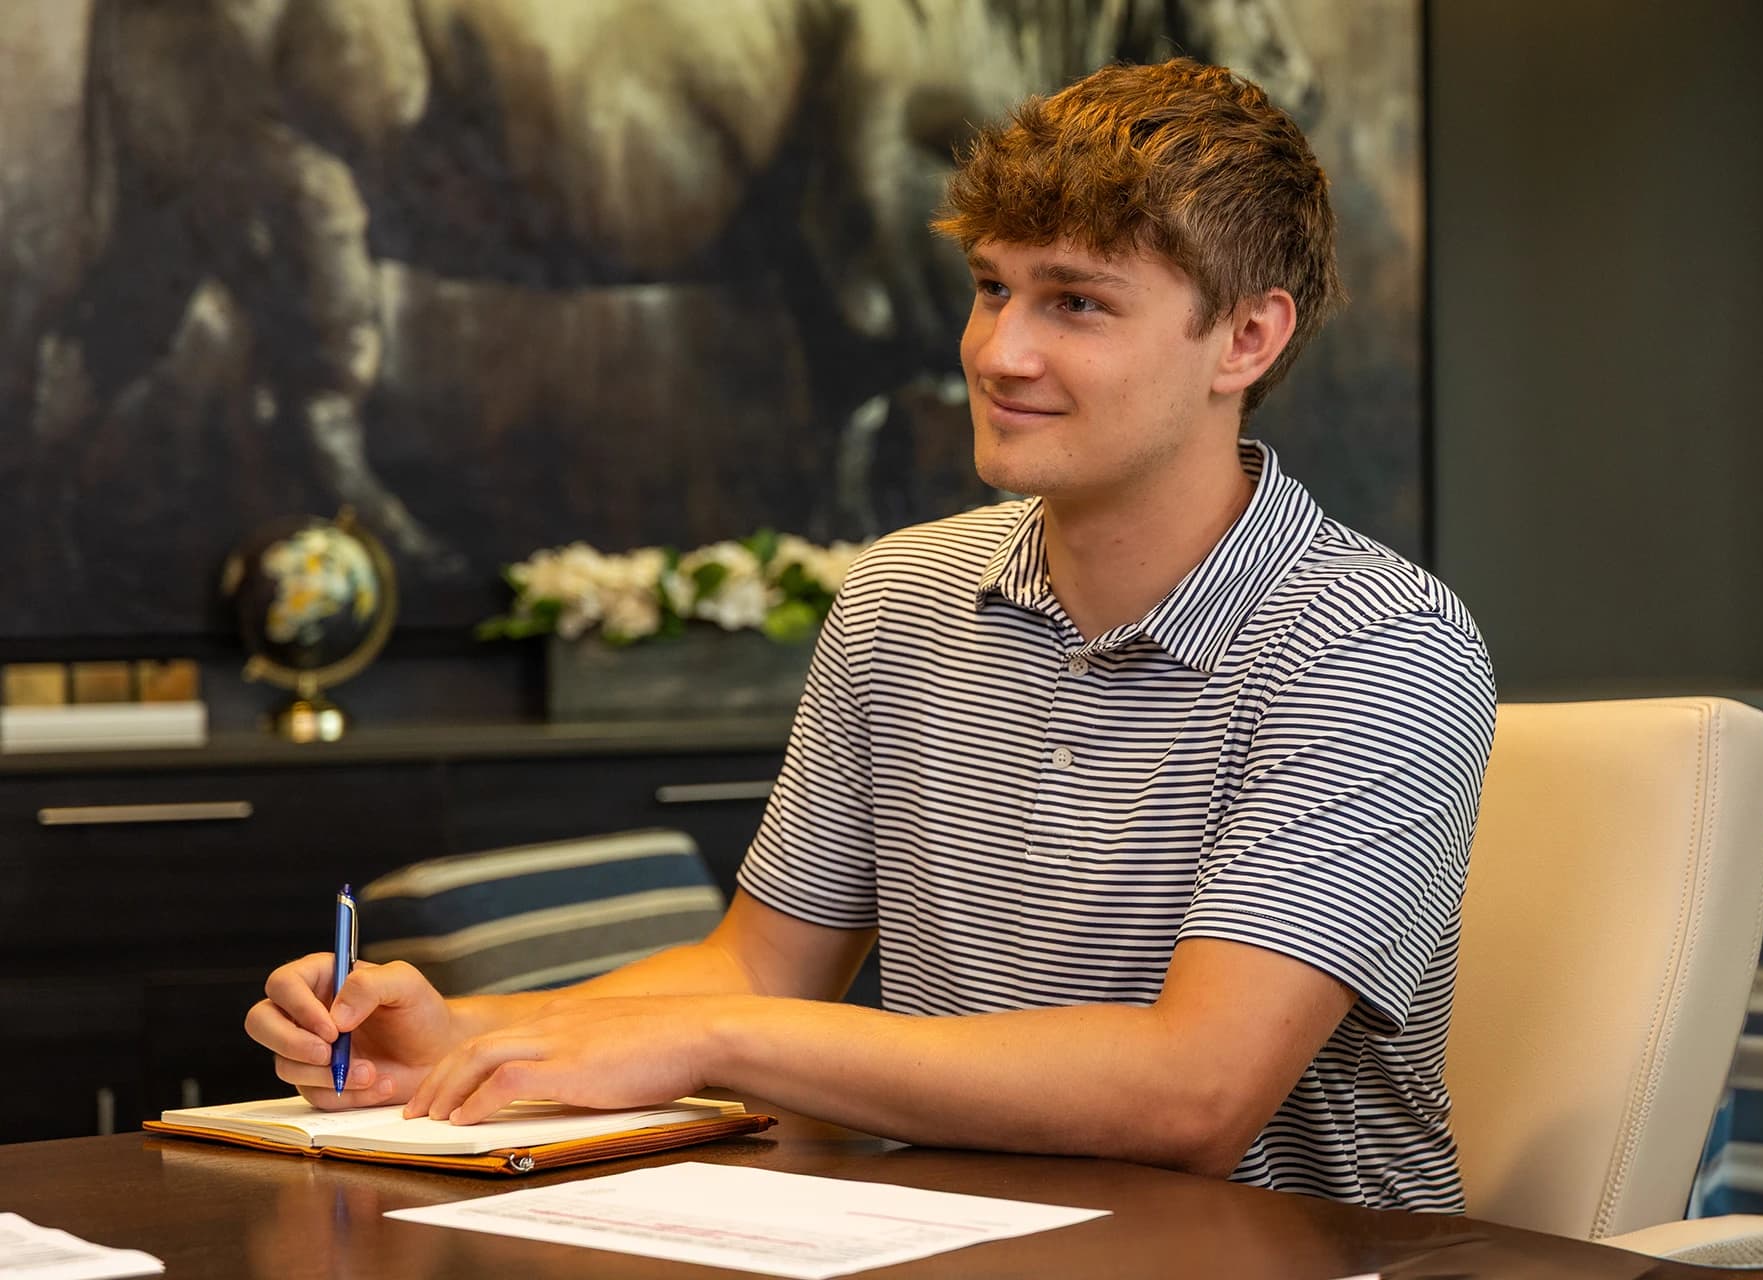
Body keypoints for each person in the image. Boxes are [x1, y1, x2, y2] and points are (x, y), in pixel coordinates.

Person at [246, 57, 1496, 1210]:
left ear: (1246, 338)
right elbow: (756, 971)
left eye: (1076, 303)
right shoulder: (901, 598)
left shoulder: (1375, 639)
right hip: (940, 1235)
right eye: (993, 287)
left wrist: (717, 1042)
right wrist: (465, 1034)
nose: (999, 351)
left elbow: (1192, 1093)